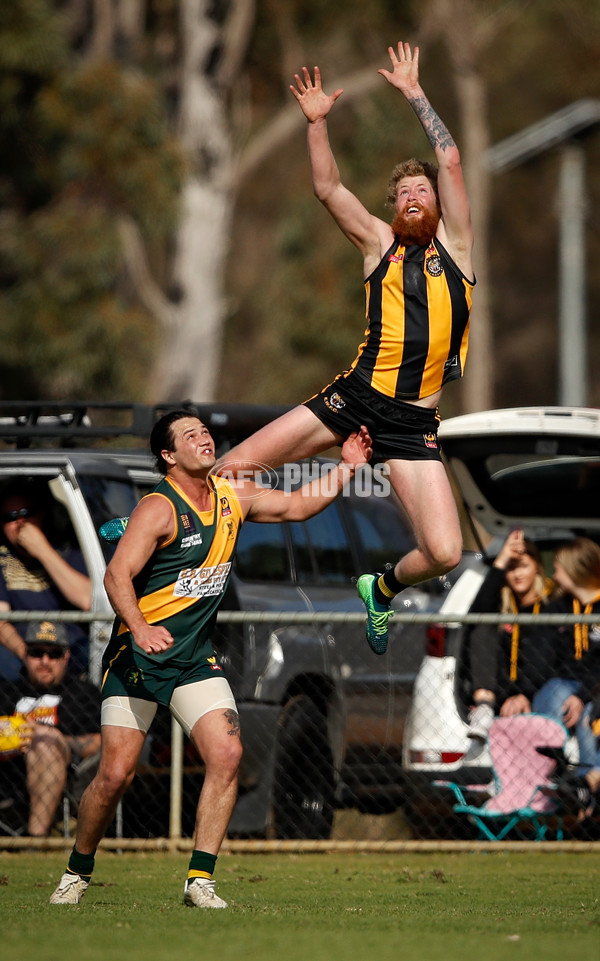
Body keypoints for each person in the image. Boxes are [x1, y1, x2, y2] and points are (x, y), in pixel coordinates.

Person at [50, 409, 372, 908]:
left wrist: (348, 465)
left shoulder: (230, 495)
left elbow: (296, 508)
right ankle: (77, 870)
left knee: (227, 755)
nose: (204, 439)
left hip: (194, 661)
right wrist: (140, 627)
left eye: (205, 431)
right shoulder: (158, 509)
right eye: (190, 435)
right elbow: (116, 576)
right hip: (138, 658)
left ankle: (199, 880)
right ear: (168, 455)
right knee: (115, 776)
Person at [219, 42, 474, 656]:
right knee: (231, 471)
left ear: (439, 205)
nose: (415, 195)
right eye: (404, 192)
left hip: (414, 422)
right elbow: (329, 186)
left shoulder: (458, 252)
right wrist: (316, 124)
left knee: (444, 553)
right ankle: (165, 520)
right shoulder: (377, 245)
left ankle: (379, 587)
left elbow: (452, 157)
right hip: (355, 396)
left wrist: (415, 92)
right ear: (393, 208)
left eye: (424, 190)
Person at [0, 620, 101, 837]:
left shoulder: (83, 694)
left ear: (66, 657)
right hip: (7, 770)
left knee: (45, 742)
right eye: (37, 653)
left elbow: (103, 741)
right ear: (25, 654)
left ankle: (35, 841)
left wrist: (54, 739)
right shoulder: (6, 692)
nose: (45, 661)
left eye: (54, 654)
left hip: (64, 774)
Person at [463, 528, 556, 755]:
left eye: (523, 566)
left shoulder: (553, 604)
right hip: (501, 691)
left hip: (539, 688)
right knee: (483, 626)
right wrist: (502, 559)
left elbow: (547, 658)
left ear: (537, 568)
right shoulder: (503, 602)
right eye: (511, 569)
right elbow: (477, 612)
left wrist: (524, 694)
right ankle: (483, 709)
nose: (517, 574)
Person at [0, 479, 91, 679]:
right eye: (10, 517)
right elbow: (1, 621)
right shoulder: (3, 559)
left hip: (71, 649)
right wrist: (29, 655)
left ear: (41, 514)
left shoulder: (69, 551)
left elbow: (87, 600)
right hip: (23, 649)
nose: (20, 522)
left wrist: (42, 550)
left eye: (26, 513)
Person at [531, 537, 600, 780]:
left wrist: (582, 695)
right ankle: (554, 764)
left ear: (575, 569)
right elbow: (541, 661)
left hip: (593, 687)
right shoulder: (558, 608)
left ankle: (587, 781)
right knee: (556, 689)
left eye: (558, 568)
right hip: (566, 686)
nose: (555, 574)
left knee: (587, 712)